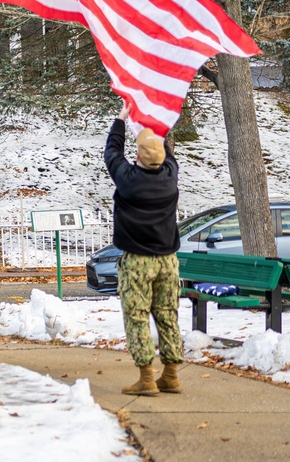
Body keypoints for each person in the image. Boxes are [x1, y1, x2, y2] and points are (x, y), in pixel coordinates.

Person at [103, 102, 184, 396]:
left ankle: (147, 378)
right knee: (167, 314)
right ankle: (171, 375)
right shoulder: (170, 177)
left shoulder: (128, 181)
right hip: (168, 260)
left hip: (137, 262)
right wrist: (155, 121)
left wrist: (121, 118)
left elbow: (112, 152)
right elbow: (167, 153)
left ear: (137, 156)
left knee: (137, 316)